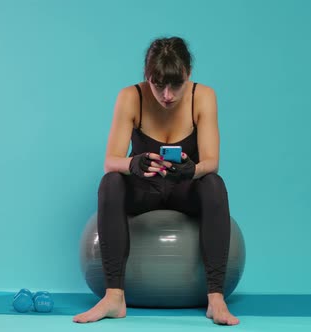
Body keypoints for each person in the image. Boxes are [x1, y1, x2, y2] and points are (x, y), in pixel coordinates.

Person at [72, 36, 239, 326]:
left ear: (188, 74)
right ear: (147, 77)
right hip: (144, 190)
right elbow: (110, 160)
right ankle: (114, 297)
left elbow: (212, 161)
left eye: (176, 84)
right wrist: (133, 163)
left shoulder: (203, 96)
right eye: (158, 84)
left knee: (214, 183)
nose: (167, 95)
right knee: (110, 181)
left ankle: (215, 299)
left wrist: (192, 170)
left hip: (185, 188)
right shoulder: (130, 96)